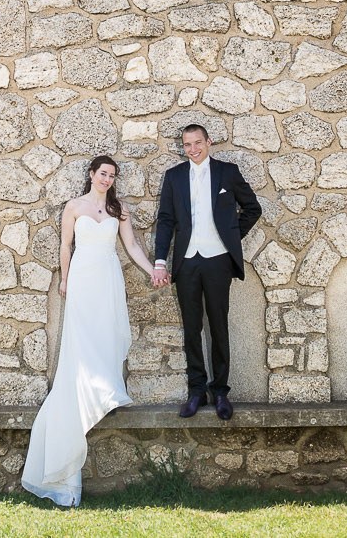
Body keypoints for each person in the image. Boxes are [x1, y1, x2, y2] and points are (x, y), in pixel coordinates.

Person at [20, 155, 157, 507]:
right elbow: (66, 245)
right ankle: (86, 396)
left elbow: (131, 247)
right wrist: (65, 279)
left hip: (108, 277)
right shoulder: (74, 206)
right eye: (102, 173)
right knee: (82, 338)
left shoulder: (119, 210)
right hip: (82, 276)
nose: (107, 179)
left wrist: (153, 268)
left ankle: (103, 389)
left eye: (112, 175)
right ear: (92, 174)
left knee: (106, 333)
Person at [150, 123, 262, 421]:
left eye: (198, 142)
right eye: (187, 145)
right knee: (191, 328)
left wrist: (229, 236)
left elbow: (253, 208)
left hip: (217, 261)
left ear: (208, 142)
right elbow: (165, 220)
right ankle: (196, 390)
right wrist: (160, 260)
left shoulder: (228, 172)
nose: (193, 149)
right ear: (183, 147)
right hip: (187, 262)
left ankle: (221, 391)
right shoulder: (173, 177)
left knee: (218, 326)